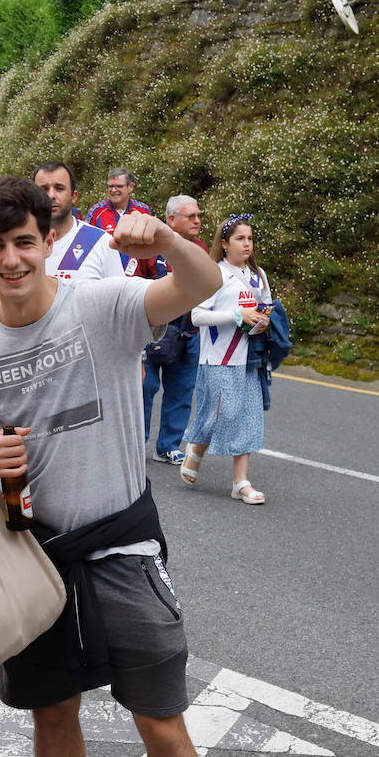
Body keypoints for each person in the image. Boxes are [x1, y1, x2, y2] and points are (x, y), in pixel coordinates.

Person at [0, 176, 219, 757]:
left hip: (123, 545)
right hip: (33, 557)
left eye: (23, 242)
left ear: (48, 241)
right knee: (54, 714)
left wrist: (169, 240)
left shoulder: (104, 306)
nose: (10, 259)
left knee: (161, 722)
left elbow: (203, 286)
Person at [179, 213, 272, 504]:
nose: (247, 244)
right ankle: (195, 450)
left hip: (250, 360)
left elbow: (265, 308)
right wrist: (236, 316)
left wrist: (263, 321)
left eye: (251, 239)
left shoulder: (258, 276)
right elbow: (196, 315)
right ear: (225, 243)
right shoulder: (214, 273)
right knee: (219, 413)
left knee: (245, 416)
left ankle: (240, 483)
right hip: (218, 358)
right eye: (240, 239)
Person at [0, 162, 123, 302]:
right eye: (43, 189)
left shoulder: (101, 242)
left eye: (59, 188)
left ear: (74, 196)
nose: (51, 195)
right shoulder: (15, 245)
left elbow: (120, 304)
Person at [143, 196, 207, 465]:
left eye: (198, 216)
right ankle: (134, 444)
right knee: (144, 388)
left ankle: (168, 446)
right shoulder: (151, 247)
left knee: (181, 391)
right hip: (152, 331)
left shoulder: (202, 249)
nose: (197, 220)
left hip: (188, 332)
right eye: (190, 216)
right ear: (171, 219)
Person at [86, 167, 151, 234]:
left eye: (119, 186)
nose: (113, 190)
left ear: (130, 187)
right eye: (111, 186)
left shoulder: (143, 210)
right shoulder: (96, 211)